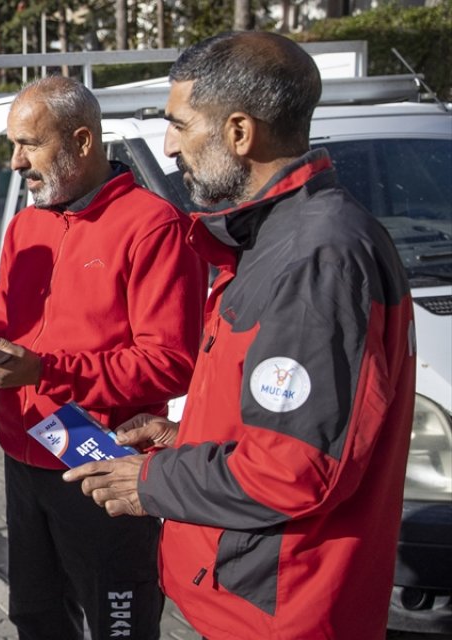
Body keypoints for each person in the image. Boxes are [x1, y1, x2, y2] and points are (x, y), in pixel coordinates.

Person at [64, 32, 416, 639]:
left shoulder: (316, 257)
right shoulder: (274, 241)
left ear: (239, 133)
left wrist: (149, 481)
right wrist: (183, 437)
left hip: (283, 612)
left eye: (179, 124)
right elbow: (280, 423)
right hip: (249, 600)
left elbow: (296, 468)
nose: (170, 146)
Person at [0, 76, 206, 639]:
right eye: (12, 146)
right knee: (37, 616)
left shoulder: (153, 226)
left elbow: (170, 361)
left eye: (29, 144)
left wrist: (47, 371)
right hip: (24, 453)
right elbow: (1, 314)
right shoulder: (26, 224)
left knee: (117, 623)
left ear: (82, 141)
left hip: (104, 464)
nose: (15, 162)